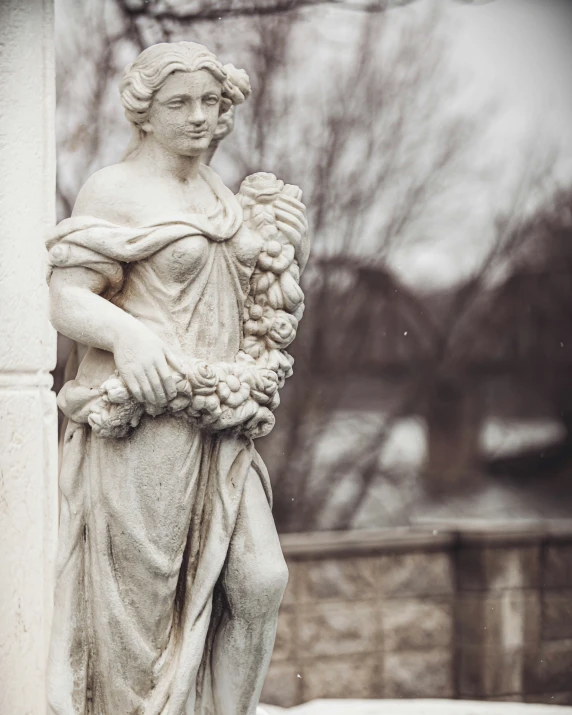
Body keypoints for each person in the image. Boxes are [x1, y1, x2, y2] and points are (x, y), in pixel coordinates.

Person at [46, 41, 309, 715]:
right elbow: (66, 296)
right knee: (142, 624)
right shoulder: (115, 188)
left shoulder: (221, 193)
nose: (199, 117)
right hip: (147, 428)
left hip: (223, 422)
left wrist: (282, 248)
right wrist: (128, 336)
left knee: (259, 580)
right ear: (145, 110)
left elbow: (257, 309)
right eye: (179, 103)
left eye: (211, 102)